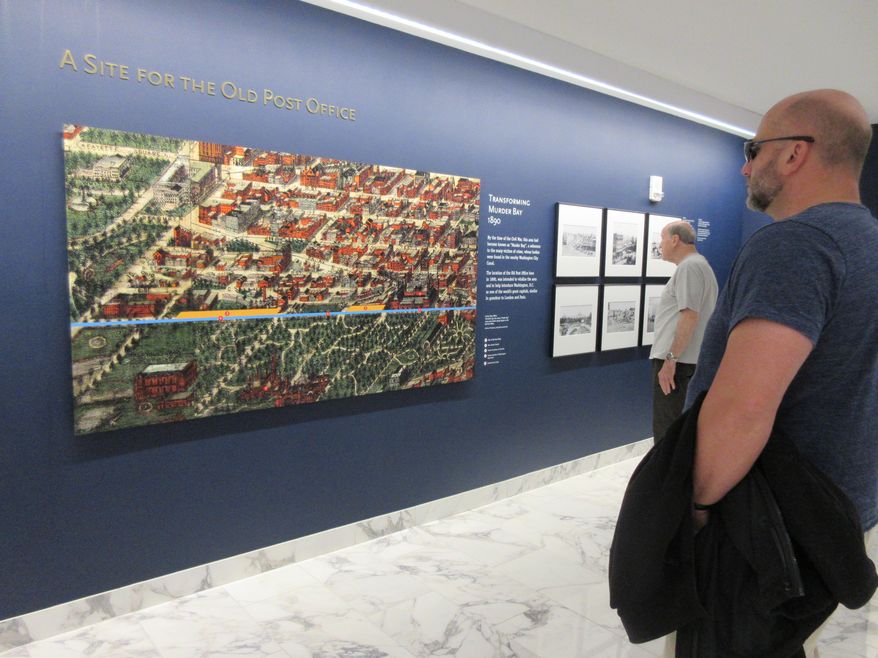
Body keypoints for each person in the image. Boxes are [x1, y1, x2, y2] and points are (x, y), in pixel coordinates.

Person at [684, 89, 878, 657]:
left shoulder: (796, 245)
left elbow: (744, 409)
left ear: (795, 154)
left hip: (765, 525)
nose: (745, 165)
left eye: (753, 148)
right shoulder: (867, 241)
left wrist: (693, 507)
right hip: (837, 512)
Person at [648, 220, 717, 442]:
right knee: (677, 430)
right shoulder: (699, 265)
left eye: (662, 238)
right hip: (684, 362)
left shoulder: (690, 267)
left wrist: (670, 359)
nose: (660, 244)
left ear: (675, 240)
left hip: (678, 364)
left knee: (668, 432)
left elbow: (690, 315)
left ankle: (665, 476)